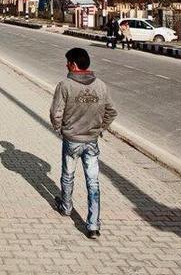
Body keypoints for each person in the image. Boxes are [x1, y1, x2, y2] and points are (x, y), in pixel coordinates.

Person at [49, 48, 118, 239]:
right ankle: (93, 225)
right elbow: (111, 111)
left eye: (68, 62)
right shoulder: (101, 86)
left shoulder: (65, 85)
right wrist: (99, 128)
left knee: (68, 175)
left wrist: (60, 129)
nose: (66, 65)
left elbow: (56, 113)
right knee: (93, 182)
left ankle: (66, 207)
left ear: (74, 64)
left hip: (72, 140)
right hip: (92, 141)